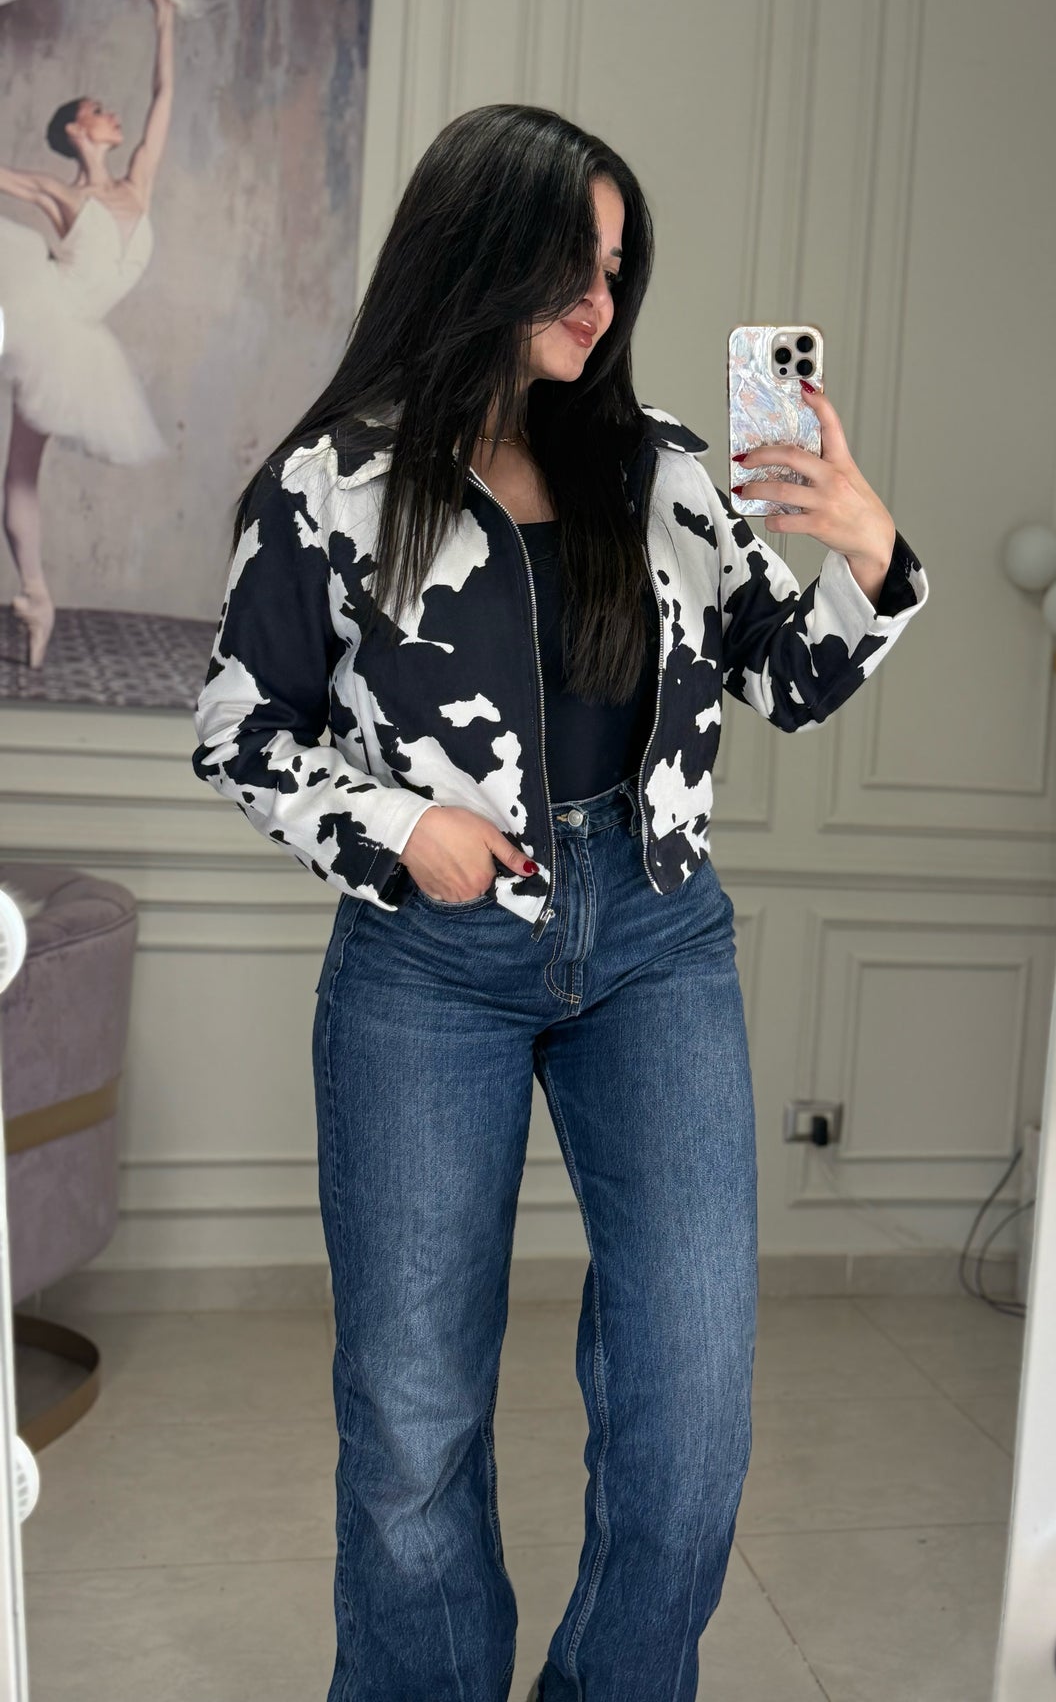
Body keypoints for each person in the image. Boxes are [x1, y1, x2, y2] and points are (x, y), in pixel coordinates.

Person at [190, 102, 929, 1702]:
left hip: (655, 937)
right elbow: (239, 728)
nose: (599, 302)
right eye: (567, 265)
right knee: (412, 1416)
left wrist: (866, 549)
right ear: (474, 251)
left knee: (691, 1395)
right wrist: (405, 826)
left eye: (614, 268)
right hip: (428, 958)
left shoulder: (659, 471)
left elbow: (788, 681)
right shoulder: (333, 480)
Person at [0, 0, 174, 669]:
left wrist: (164, 18)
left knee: (23, 474)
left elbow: (164, 95)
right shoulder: (60, 193)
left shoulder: (138, 181)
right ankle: (37, 597)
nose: (113, 115)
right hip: (42, 317)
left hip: (78, 345)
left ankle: (35, 598)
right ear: (77, 130)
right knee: (20, 471)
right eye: (99, 110)